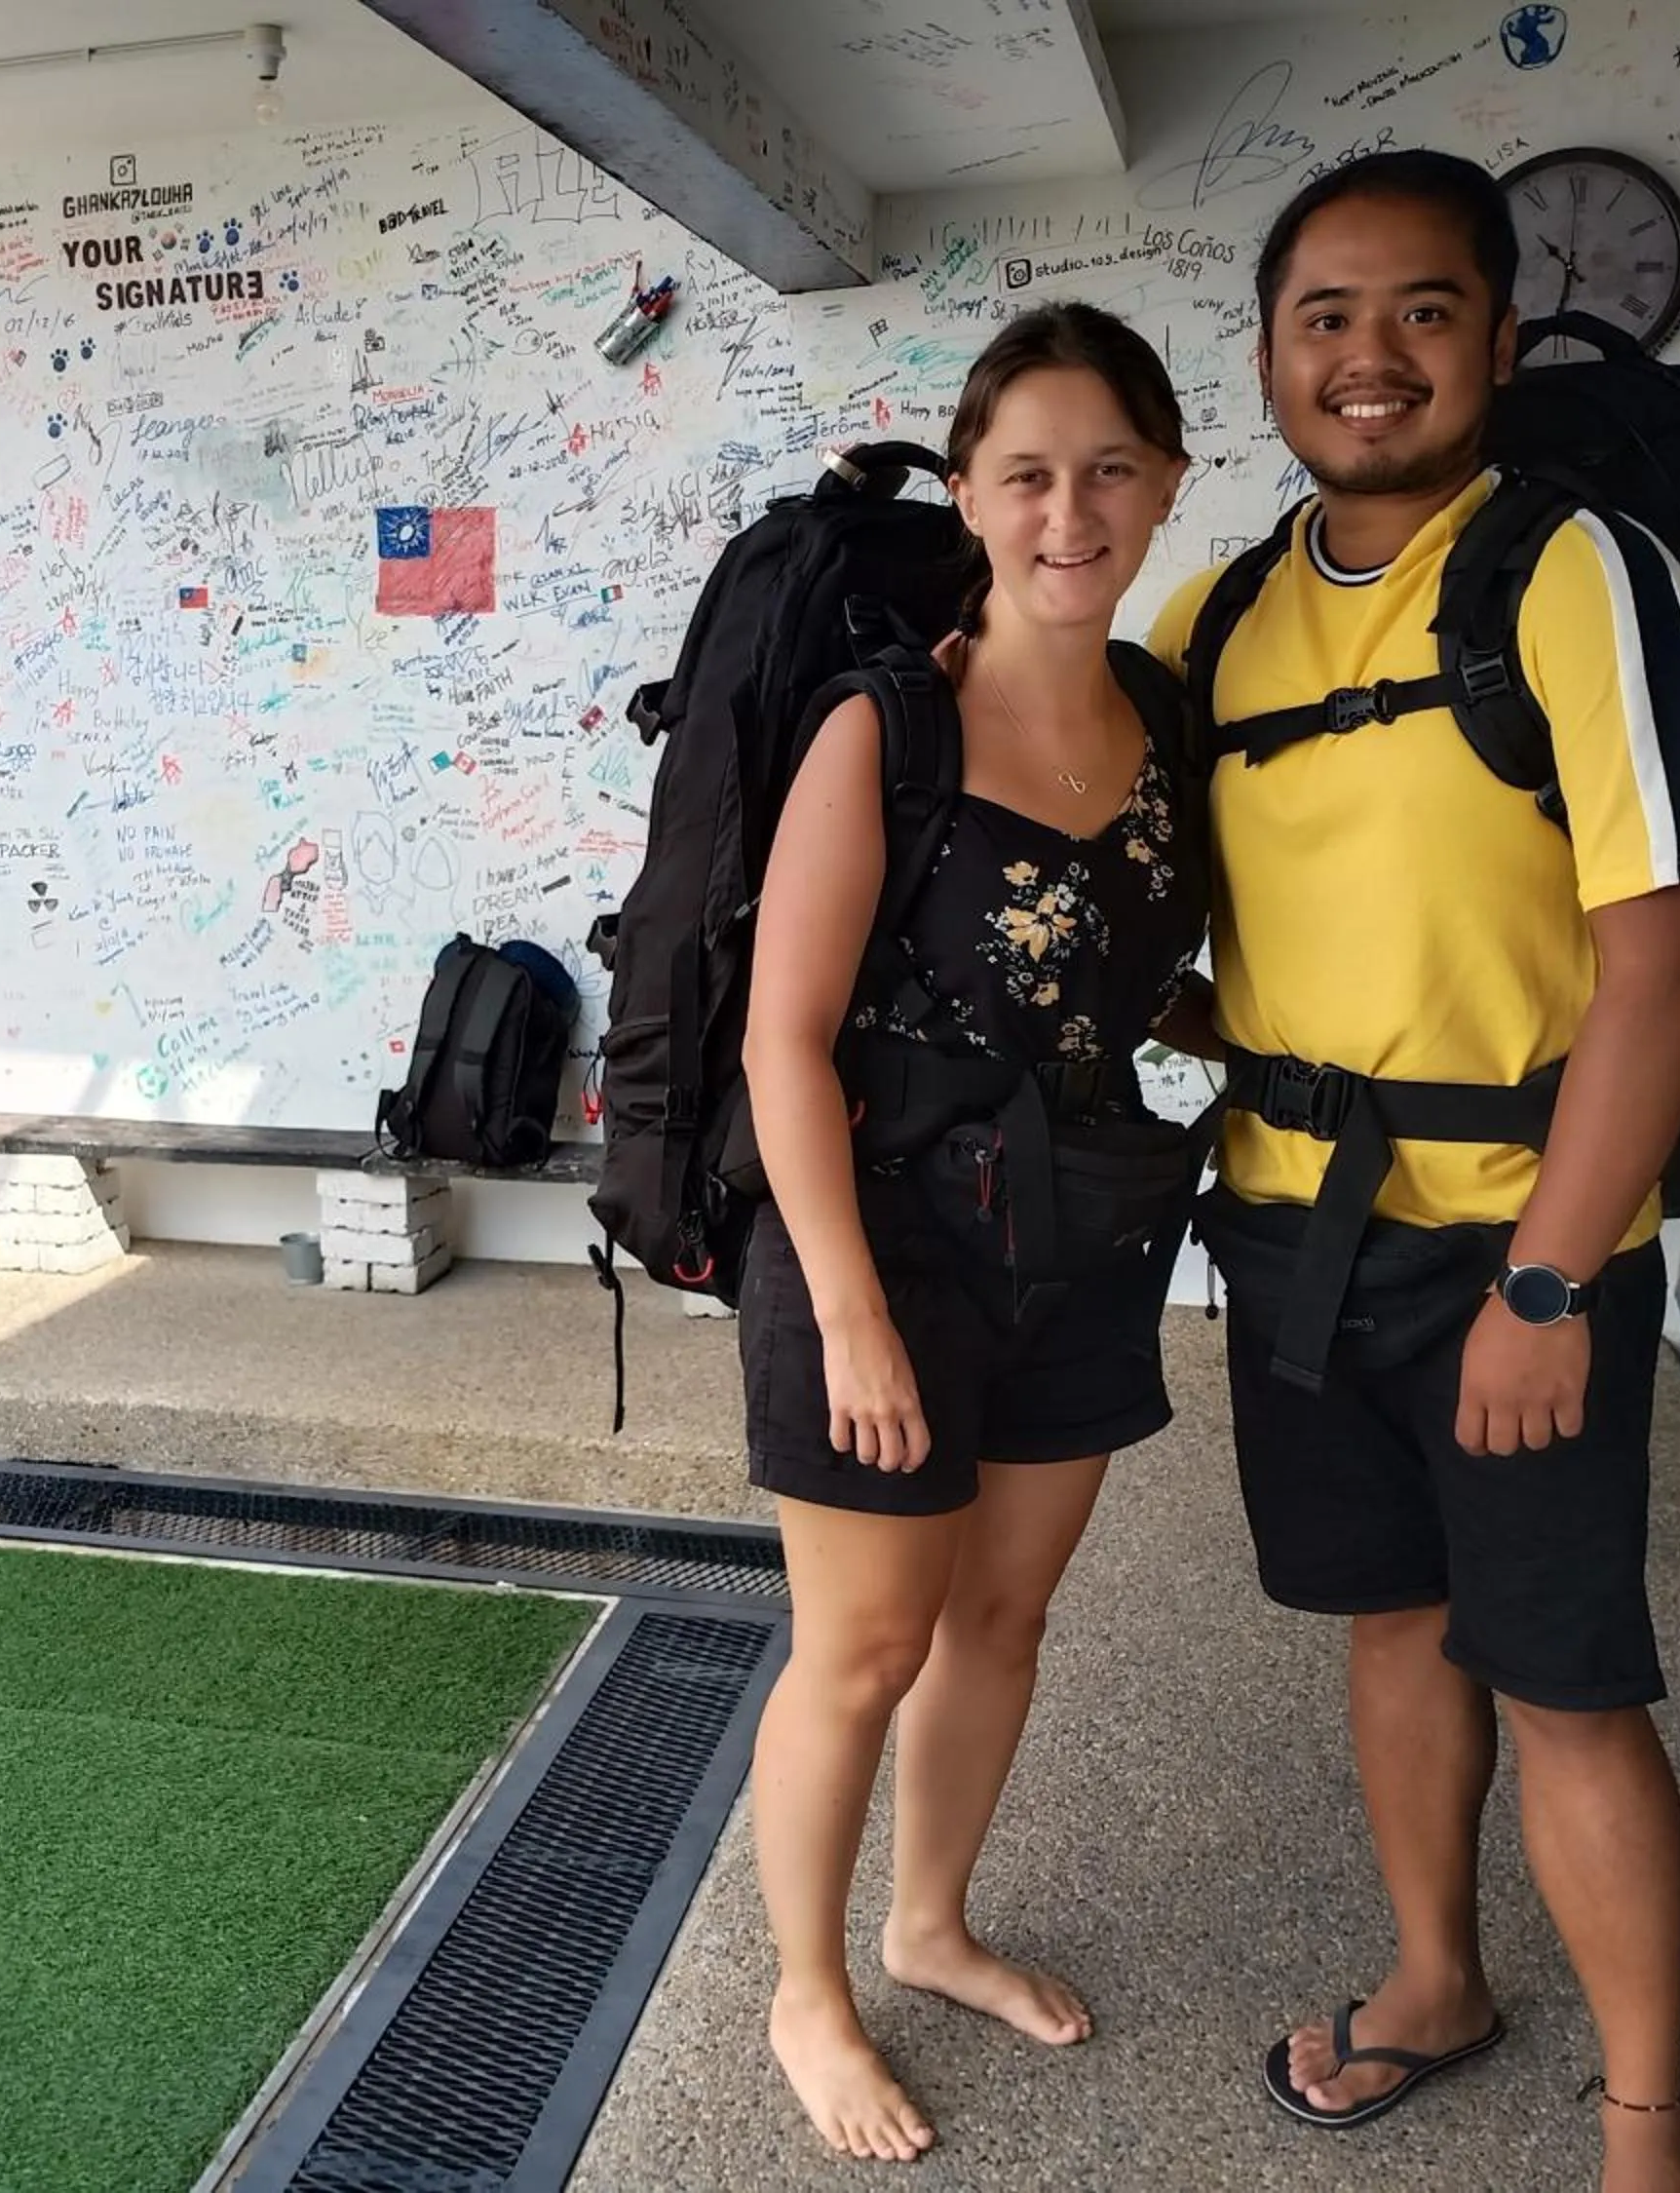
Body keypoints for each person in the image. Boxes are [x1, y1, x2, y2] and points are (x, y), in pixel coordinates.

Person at [1145, 151, 1680, 2193]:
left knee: (1567, 1683)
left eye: (1419, 311)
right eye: (1326, 316)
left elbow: (1671, 950)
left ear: (1498, 337)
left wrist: (1556, 1285)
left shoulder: (1583, 577)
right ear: (1268, 357)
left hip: (1524, 1244)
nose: (1370, 357)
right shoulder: (1216, 612)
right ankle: (1434, 1979)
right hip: (1298, 1233)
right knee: (1391, 1624)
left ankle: (1646, 2132)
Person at [740, 302, 1205, 2164]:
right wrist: (848, 1311)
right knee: (862, 1644)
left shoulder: (1169, 715)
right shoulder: (889, 725)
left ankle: (928, 1926)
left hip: (1081, 1229)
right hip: (887, 1246)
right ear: (973, 494)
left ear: (1165, 485)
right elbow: (783, 1034)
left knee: (1003, 1615)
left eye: (1109, 470)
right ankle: (805, 1987)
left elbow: (1123, 983)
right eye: (1028, 473)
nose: (1069, 510)